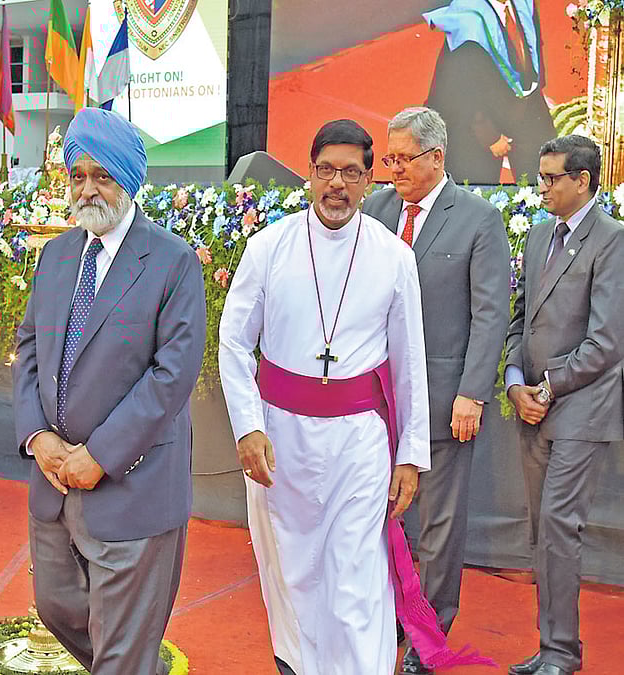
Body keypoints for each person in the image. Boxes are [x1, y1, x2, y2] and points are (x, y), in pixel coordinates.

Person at [218, 119, 493, 674]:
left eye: (350, 172)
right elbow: (233, 342)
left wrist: (411, 456)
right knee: (292, 574)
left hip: (359, 446)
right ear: (310, 175)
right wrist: (248, 427)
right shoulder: (268, 247)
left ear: (370, 179)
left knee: (357, 580)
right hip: (279, 442)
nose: (336, 184)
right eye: (325, 170)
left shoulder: (393, 257)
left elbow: (410, 361)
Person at [11, 107, 206, 675]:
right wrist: (36, 436)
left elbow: (171, 376)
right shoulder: (57, 255)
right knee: (57, 609)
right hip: (53, 483)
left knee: (120, 653)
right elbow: (28, 350)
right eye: (78, 175)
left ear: (129, 179)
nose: (88, 188)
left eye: (104, 175)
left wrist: (101, 454)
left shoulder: (172, 261)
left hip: (132, 485)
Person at [363, 107, 510, 675]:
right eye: (389, 158)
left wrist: (473, 392)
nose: (392, 169)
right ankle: (386, 615)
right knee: (380, 513)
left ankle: (428, 633)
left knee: (440, 524)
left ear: (437, 158)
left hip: (447, 400)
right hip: (376, 398)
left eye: (403, 158)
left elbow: (490, 315)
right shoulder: (373, 210)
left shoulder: (478, 219)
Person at [505, 135, 624, 675]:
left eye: (553, 178)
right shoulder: (536, 237)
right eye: (540, 175)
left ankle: (560, 653)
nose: (542, 186)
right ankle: (554, 647)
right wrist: (513, 384)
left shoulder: (613, 240)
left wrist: (546, 388)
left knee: (557, 525)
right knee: (542, 532)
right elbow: (518, 318)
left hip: (580, 408)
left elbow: (606, 342)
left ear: (584, 180)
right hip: (533, 405)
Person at [424, 0, 557, 184]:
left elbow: (532, 49)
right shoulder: (468, 20)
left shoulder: (523, 4)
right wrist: (490, 135)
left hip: (519, 103)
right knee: (476, 188)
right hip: (474, 116)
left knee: (547, 165)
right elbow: (462, 87)